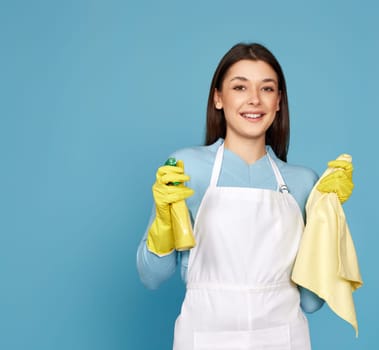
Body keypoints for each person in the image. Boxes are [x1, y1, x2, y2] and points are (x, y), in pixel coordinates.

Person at [137, 42, 352, 350]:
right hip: (205, 338)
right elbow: (151, 277)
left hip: (283, 339)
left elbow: (311, 302)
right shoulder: (188, 170)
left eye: (267, 89)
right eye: (240, 87)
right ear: (218, 98)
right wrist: (162, 223)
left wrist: (328, 220)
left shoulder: (303, 183)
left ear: (278, 101)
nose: (254, 100)